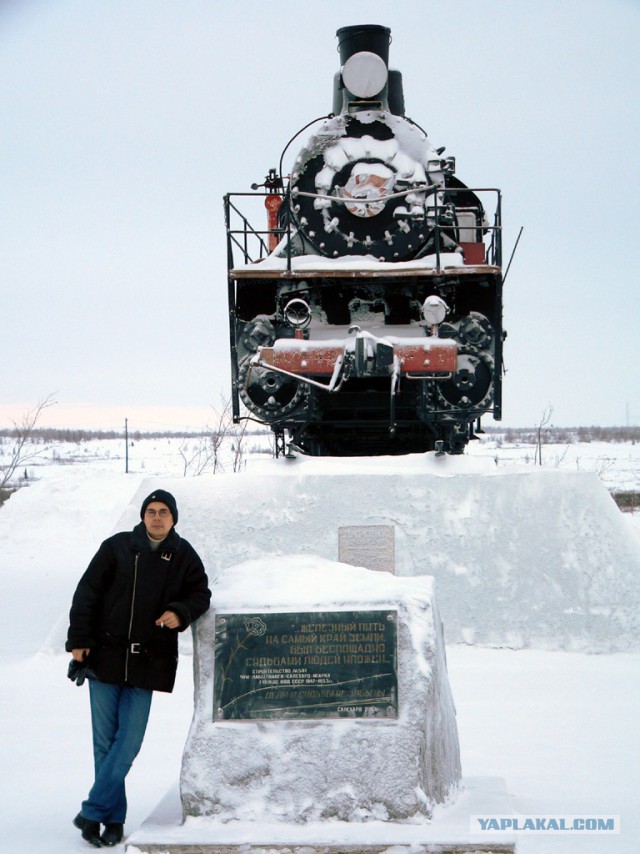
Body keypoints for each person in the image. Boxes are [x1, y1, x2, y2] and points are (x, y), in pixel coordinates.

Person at [66, 489, 211, 848]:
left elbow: (200, 593)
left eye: (164, 512)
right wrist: (79, 641)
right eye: (151, 511)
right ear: (143, 516)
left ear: (174, 518)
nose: (157, 518)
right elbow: (87, 593)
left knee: (127, 743)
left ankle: (93, 810)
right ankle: (112, 820)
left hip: (148, 660)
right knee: (105, 744)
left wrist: (180, 611)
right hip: (105, 657)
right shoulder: (117, 547)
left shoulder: (182, 554)